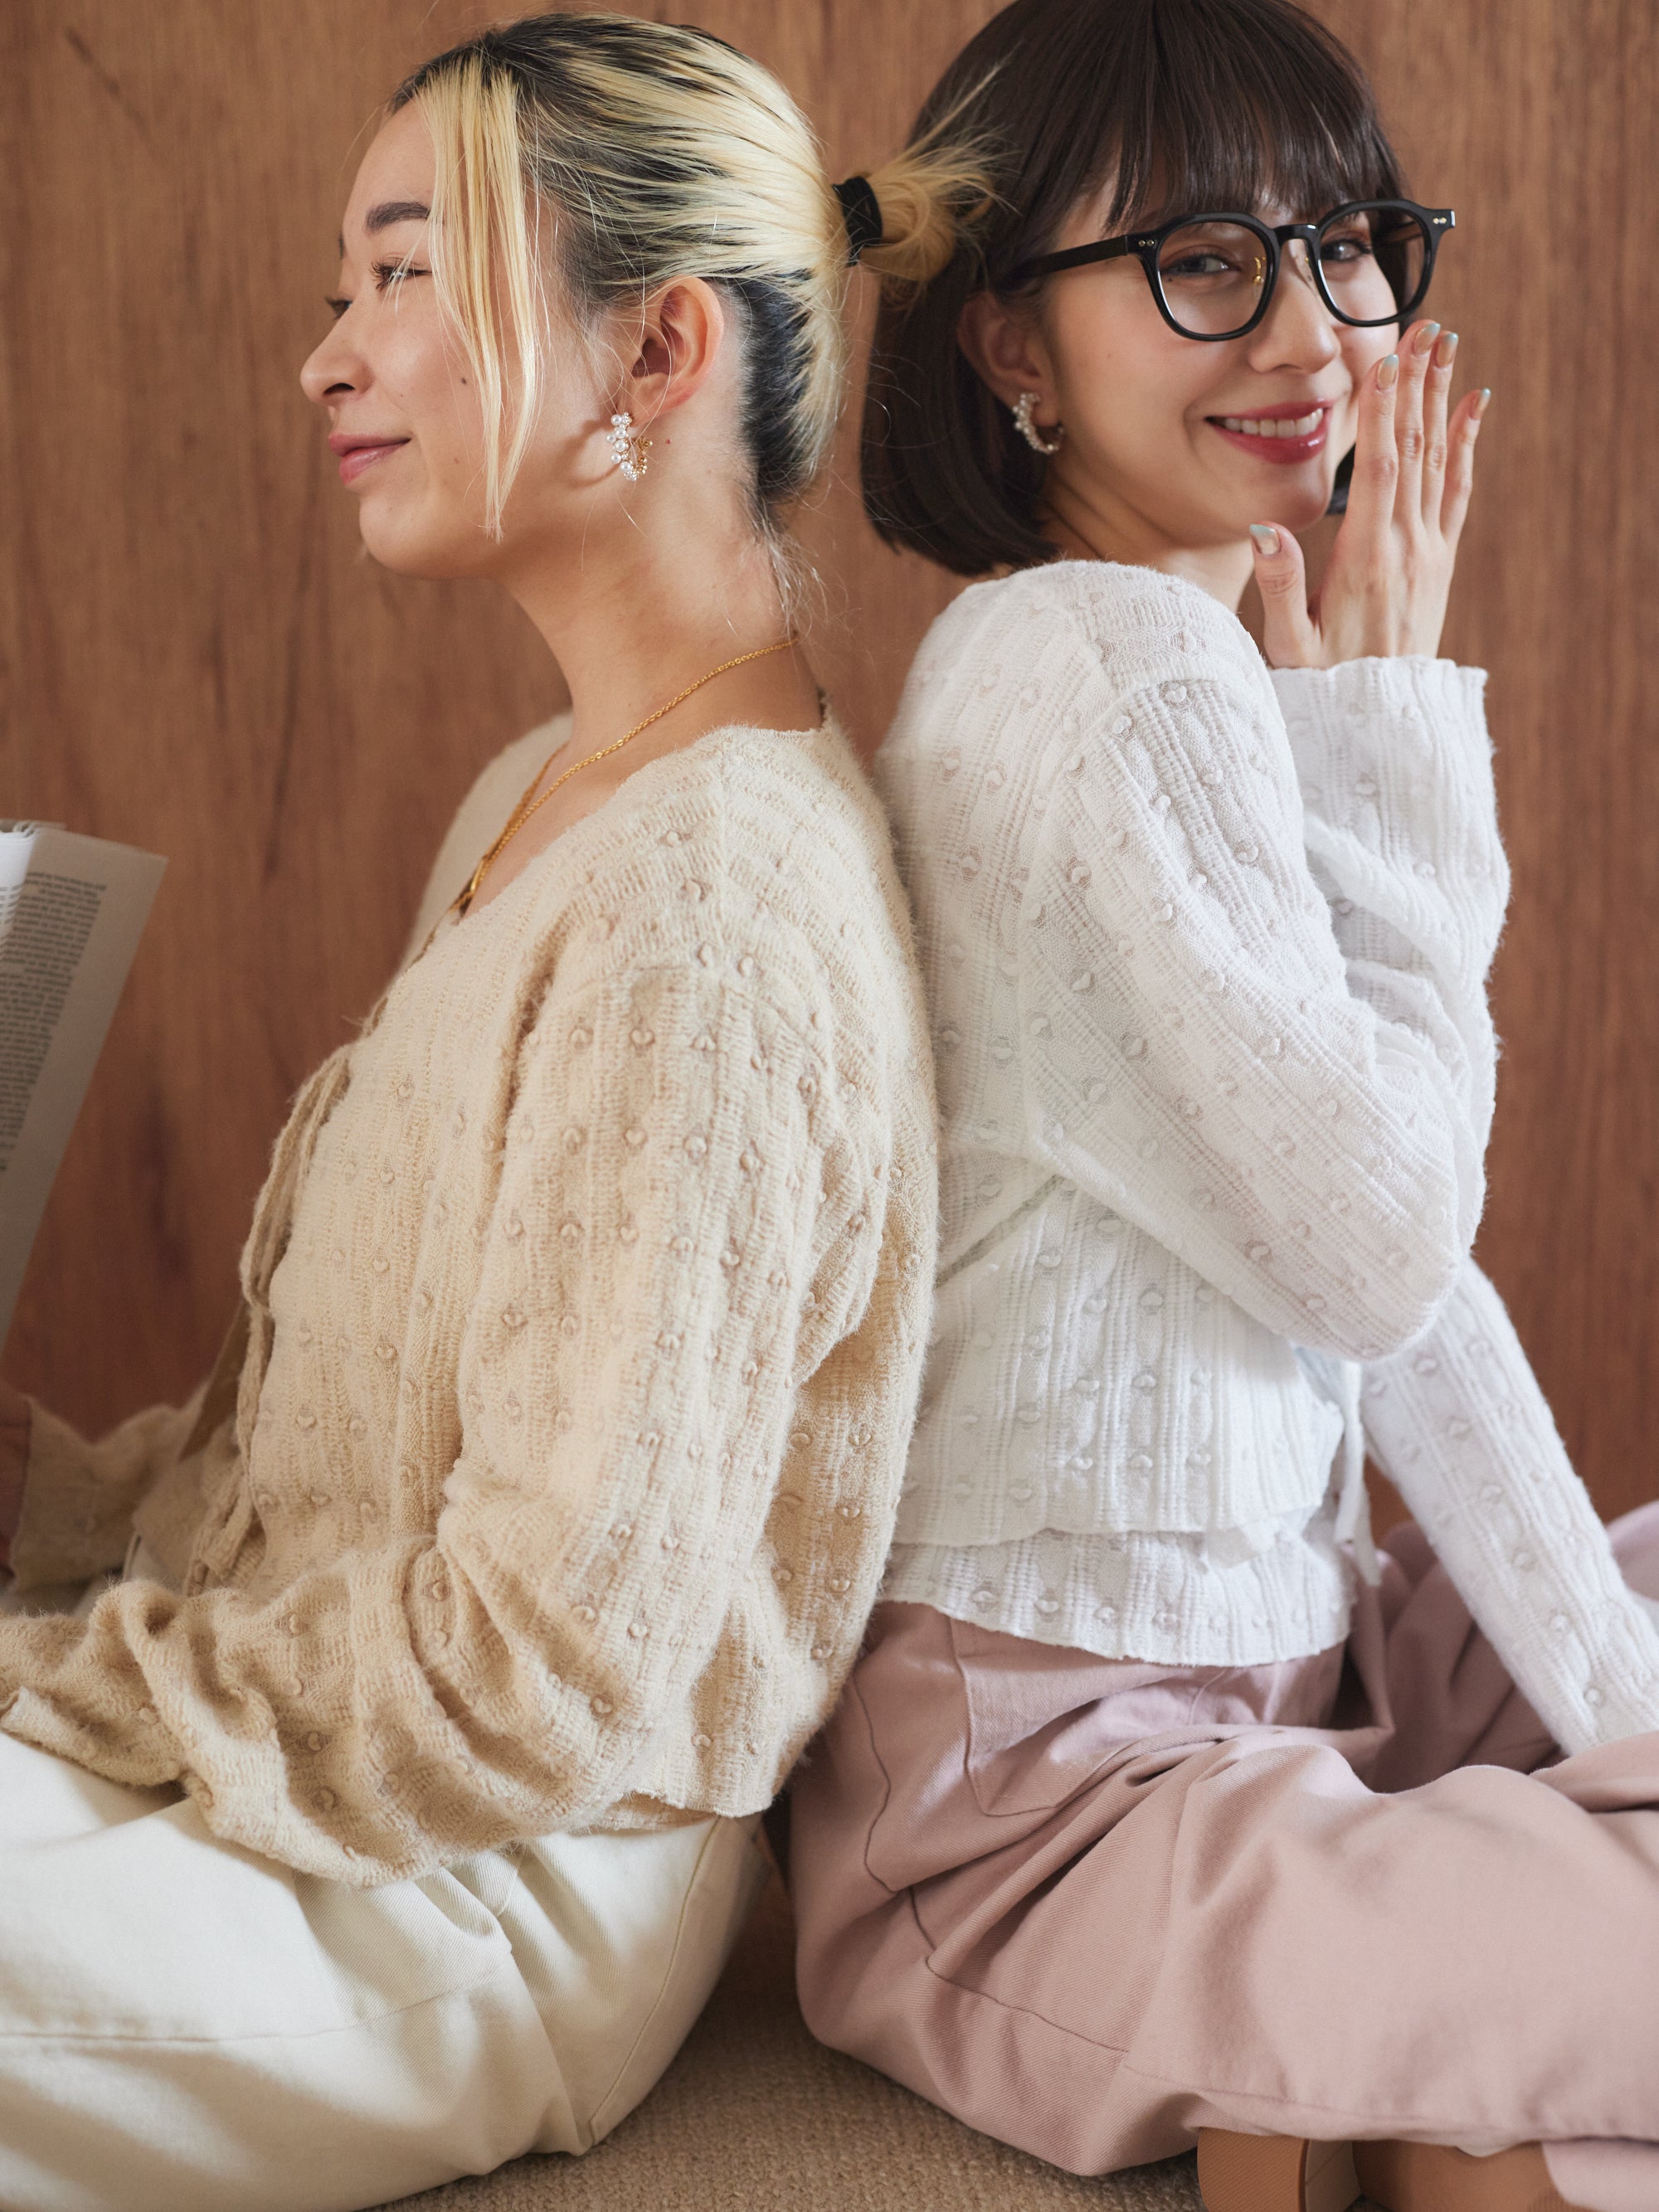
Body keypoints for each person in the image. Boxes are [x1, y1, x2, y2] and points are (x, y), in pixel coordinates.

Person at [0, 15, 950, 2209]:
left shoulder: (710, 908)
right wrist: (50, 1498)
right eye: (348, 293)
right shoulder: (537, 800)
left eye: (401, 274)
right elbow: (316, 1484)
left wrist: (61, 1673)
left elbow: (542, 1669)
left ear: (657, 352)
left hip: (475, 1880)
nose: (328, 361)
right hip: (297, 1770)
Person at [782, 5, 1659, 2210]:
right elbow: (1383, 1239)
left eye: (1347, 243)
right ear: (1011, 347)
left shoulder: (1163, 665)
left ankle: (1391, 2070)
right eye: (1201, 260)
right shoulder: (1113, 676)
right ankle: (1413, 2057)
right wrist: (1384, 736)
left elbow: (1402, 1304)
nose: (1310, 325)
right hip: (1050, 1813)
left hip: (1302, 1652)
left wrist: (1610, 1691)